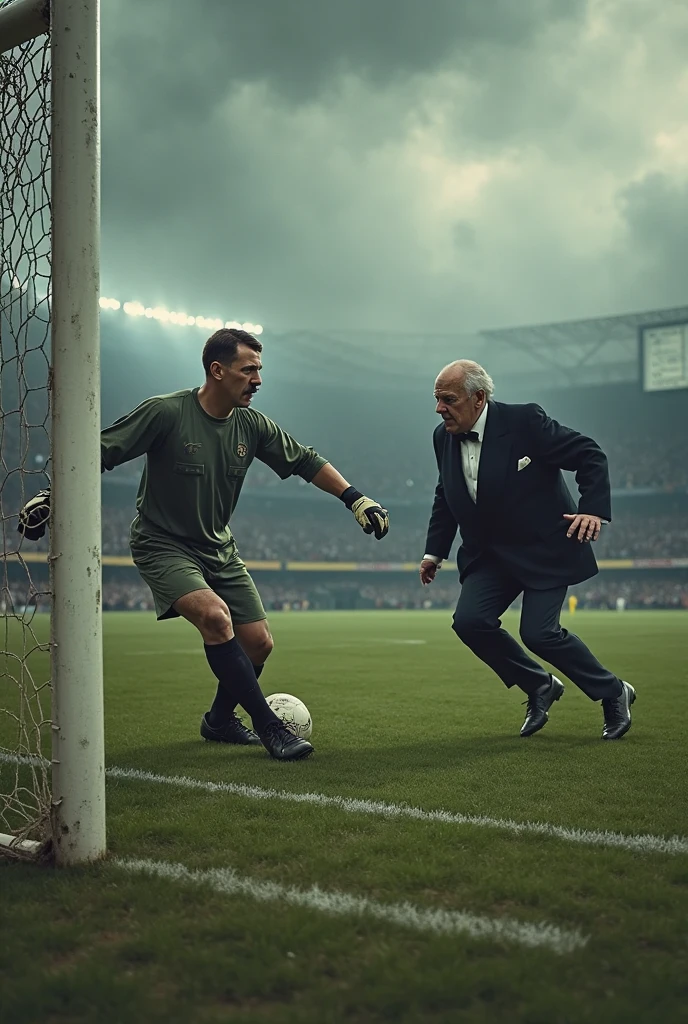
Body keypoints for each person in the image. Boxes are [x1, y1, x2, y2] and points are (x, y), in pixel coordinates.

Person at [18, 328, 389, 761]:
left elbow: (305, 460)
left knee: (259, 643)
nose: (258, 380)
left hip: (220, 548)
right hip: (163, 544)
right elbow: (98, 449)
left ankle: (218, 721)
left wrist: (354, 498)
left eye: (259, 370)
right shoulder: (166, 413)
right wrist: (51, 493)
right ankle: (271, 728)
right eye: (248, 369)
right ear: (217, 370)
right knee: (215, 617)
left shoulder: (252, 425)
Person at [419, 360, 635, 740]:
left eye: (448, 399)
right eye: (437, 400)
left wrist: (593, 509)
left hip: (544, 549)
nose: (440, 409)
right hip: (490, 555)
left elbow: (589, 454)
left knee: (539, 633)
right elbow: (446, 492)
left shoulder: (525, 422)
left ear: (479, 398)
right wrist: (435, 551)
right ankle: (539, 685)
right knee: (469, 622)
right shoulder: (442, 437)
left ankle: (613, 692)